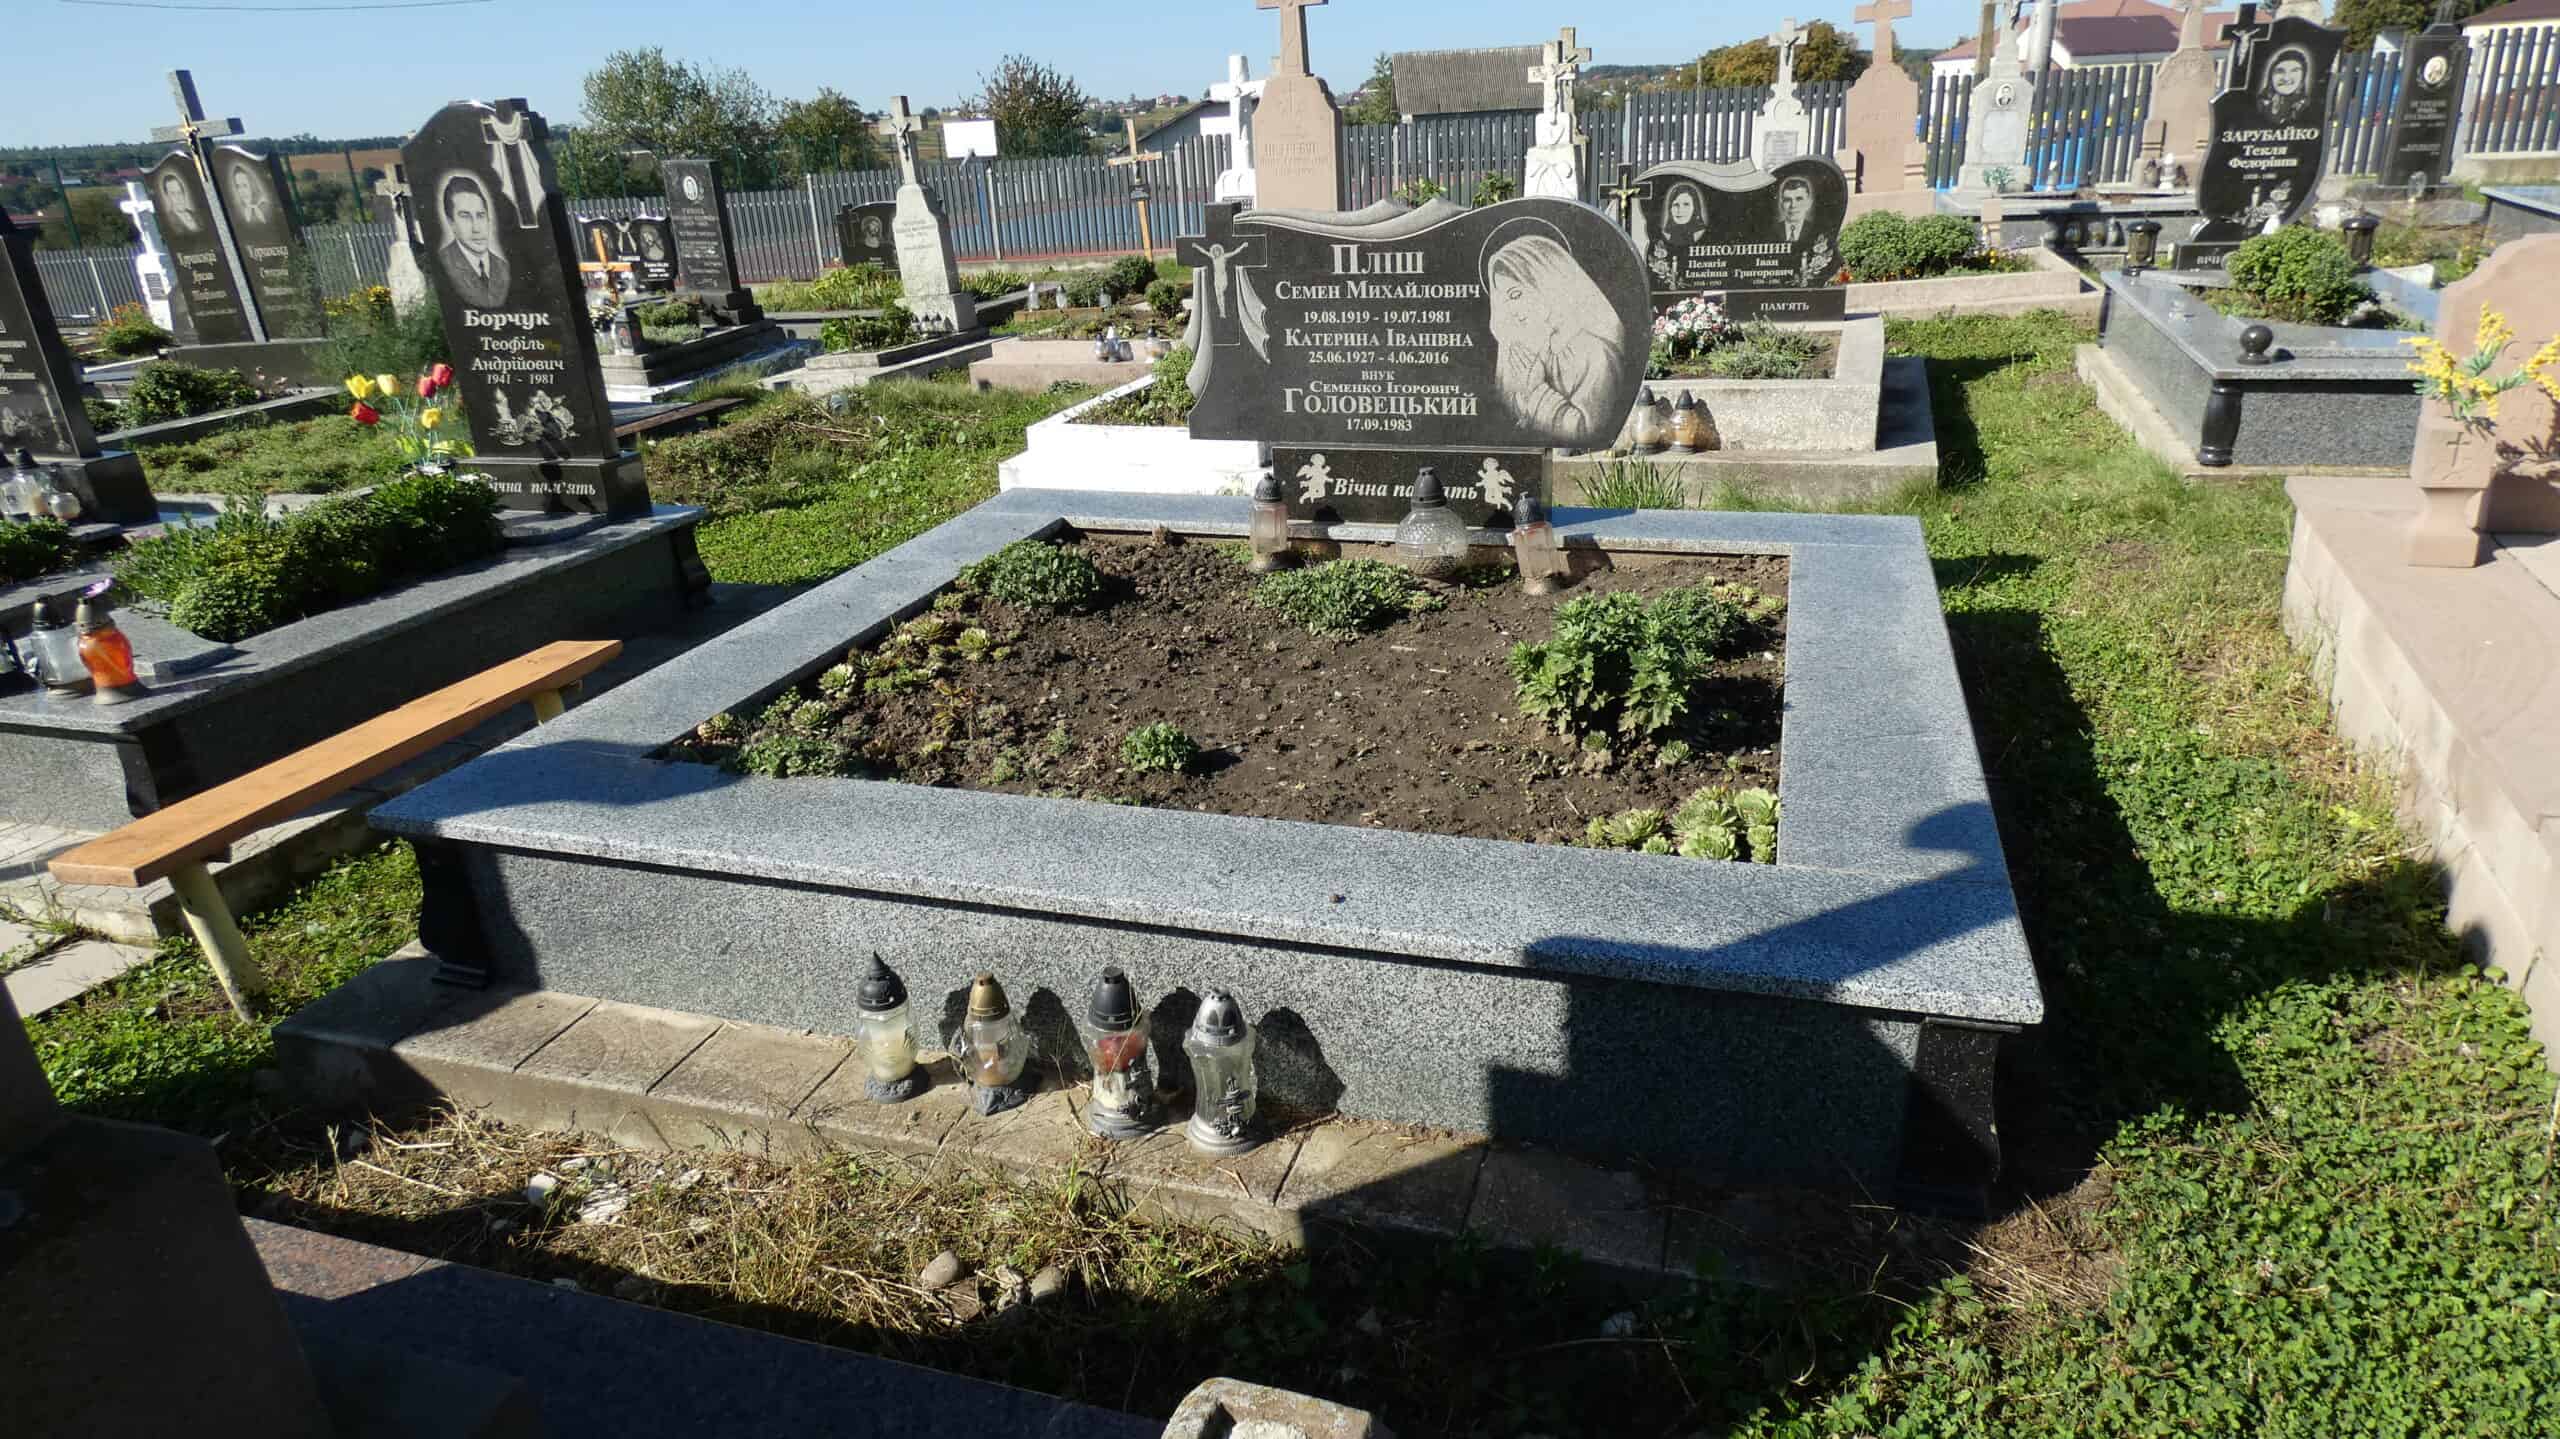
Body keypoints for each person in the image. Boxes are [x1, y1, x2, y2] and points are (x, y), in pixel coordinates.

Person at [1483, 230, 1627, 447]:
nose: (1510, 309)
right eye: (1505, 300)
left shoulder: (1595, 354)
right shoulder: (1534, 350)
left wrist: (1537, 390)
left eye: (1515, 295)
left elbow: (1588, 433)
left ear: (1545, 283)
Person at [435, 173, 511, 308]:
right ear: (451, 222)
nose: (476, 228)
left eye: (480, 215)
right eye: (465, 216)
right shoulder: (443, 263)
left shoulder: (503, 267)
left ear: (488, 219)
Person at [1778, 176, 1836, 286]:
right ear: (1781, 204)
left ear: (1809, 203)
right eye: (1787, 200)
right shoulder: (1770, 232)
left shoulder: (1819, 231)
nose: (1793, 205)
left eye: (1799, 199)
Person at [1649, 181, 1705, 289]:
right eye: (1675, 205)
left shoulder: (1700, 232)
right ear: (1670, 208)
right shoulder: (1666, 234)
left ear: (1695, 207)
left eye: (1686, 204)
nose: (1680, 210)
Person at [2258, 48, 2314, 124]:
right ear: (2270, 76)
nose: (2286, 78)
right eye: (2280, 71)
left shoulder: (2305, 107)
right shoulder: (2261, 104)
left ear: (2302, 78)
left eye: (2294, 71)